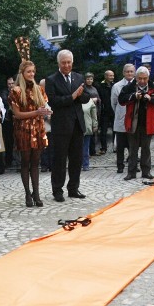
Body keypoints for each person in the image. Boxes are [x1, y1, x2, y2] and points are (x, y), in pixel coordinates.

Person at [45, 49, 90, 202]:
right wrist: (72, 96)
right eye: (64, 62)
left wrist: (81, 94)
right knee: (59, 160)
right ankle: (57, 190)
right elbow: (54, 102)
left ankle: (73, 188)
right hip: (61, 125)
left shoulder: (78, 77)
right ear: (59, 63)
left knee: (76, 159)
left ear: (72, 62)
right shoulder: (51, 80)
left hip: (77, 124)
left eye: (69, 62)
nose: (66, 65)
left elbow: (85, 97)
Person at [9, 60, 51, 207]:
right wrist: (36, 112)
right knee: (25, 162)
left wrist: (46, 112)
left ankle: (37, 193)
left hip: (38, 128)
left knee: (36, 163)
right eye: (28, 71)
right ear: (22, 73)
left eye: (33, 71)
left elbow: (43, 107)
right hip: (23, 129)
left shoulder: (39, 89)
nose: (32, 74)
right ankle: (27, 193)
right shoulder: (16, 91)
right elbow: (18, 114)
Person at [119, 66, 154, 180]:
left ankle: (146, 172)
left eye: (145, 78)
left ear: (148, 77)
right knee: (132, 149)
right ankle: (131, 172)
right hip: (133, 122)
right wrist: (133, 96)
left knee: (146, 149)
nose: (142, 81)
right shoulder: (129, 87)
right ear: (136, 77)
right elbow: (121, 99)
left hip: (148, 123)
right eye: (140, 78)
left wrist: (150, 99)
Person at [112, 64, 135, 173]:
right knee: (120, 146)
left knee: (133, 145)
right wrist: (120, 112)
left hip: (133, 119)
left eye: (131, 71)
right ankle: (120, 166)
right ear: (123, 73)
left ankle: (134, 164)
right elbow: (113, 103)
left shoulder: (137, 84)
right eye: (127, 72)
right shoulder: (117, 86)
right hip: (121, 118)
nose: (129, 74)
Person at [96, 69, 115, 154]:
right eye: (110, 76)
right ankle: (103, 148)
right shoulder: (100, 86)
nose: (112, 77)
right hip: (105, 112)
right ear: (106, 76)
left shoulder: (114, 85)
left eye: (113, 76)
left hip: (113, 111)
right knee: (103, 131)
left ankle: (116, 147)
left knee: (116, 130)